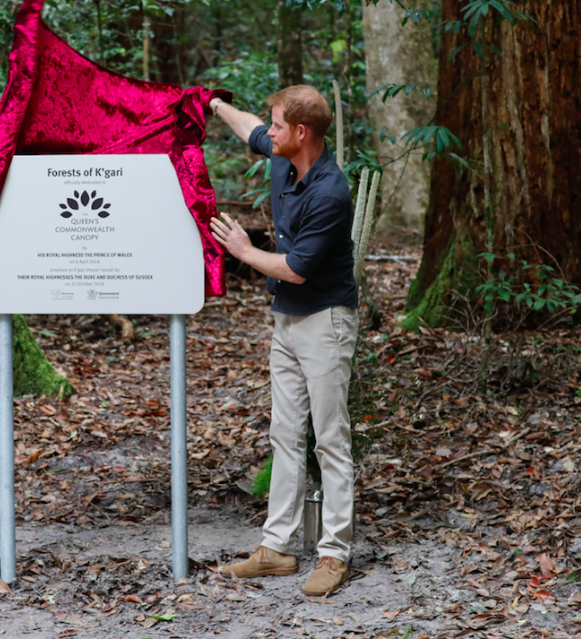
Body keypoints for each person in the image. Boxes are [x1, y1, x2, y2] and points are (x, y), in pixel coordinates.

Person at [208, 85, 359, 597]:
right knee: (285, 433)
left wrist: (243, 251)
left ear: (301, 133)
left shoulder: (330, 192)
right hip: (287, 322)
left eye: (276, 125)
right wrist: (213, 103)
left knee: (330, 439)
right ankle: (278, 548)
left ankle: (334, 555)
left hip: (325, 320)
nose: (266, 134)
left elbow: (294, 270)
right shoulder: (283, 157)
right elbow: (248, 126)